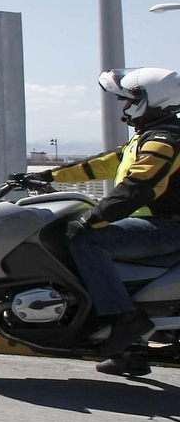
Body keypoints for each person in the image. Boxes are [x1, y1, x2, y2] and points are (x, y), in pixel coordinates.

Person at [16, 67, 180, 376]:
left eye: (130, 99)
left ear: (152, 99)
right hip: (157, 225)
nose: (124, 106)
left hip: (166, 229)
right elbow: (99, 165)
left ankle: (123, 319)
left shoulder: (164, 140)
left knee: (84, 239)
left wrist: (94, 219)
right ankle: (130, 353)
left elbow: (138, 188)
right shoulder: (149, 137)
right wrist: (45, 176)